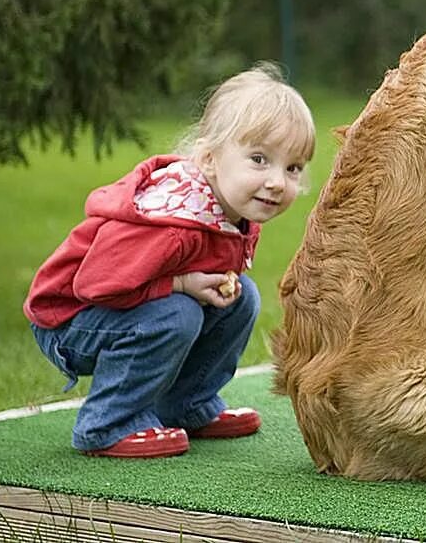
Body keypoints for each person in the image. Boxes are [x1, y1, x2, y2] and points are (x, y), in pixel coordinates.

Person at [24, 63, 315, 458]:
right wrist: (179, 285)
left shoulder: (232, 213)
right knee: (179, 313)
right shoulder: (174, 222)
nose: (278, 181)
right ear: (210, 159)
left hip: (124, 310)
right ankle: (107, 424)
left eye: (292, 168)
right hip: (70, 321)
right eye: (259, 160)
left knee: (242, 297)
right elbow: (94, 284)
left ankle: (186, 405)